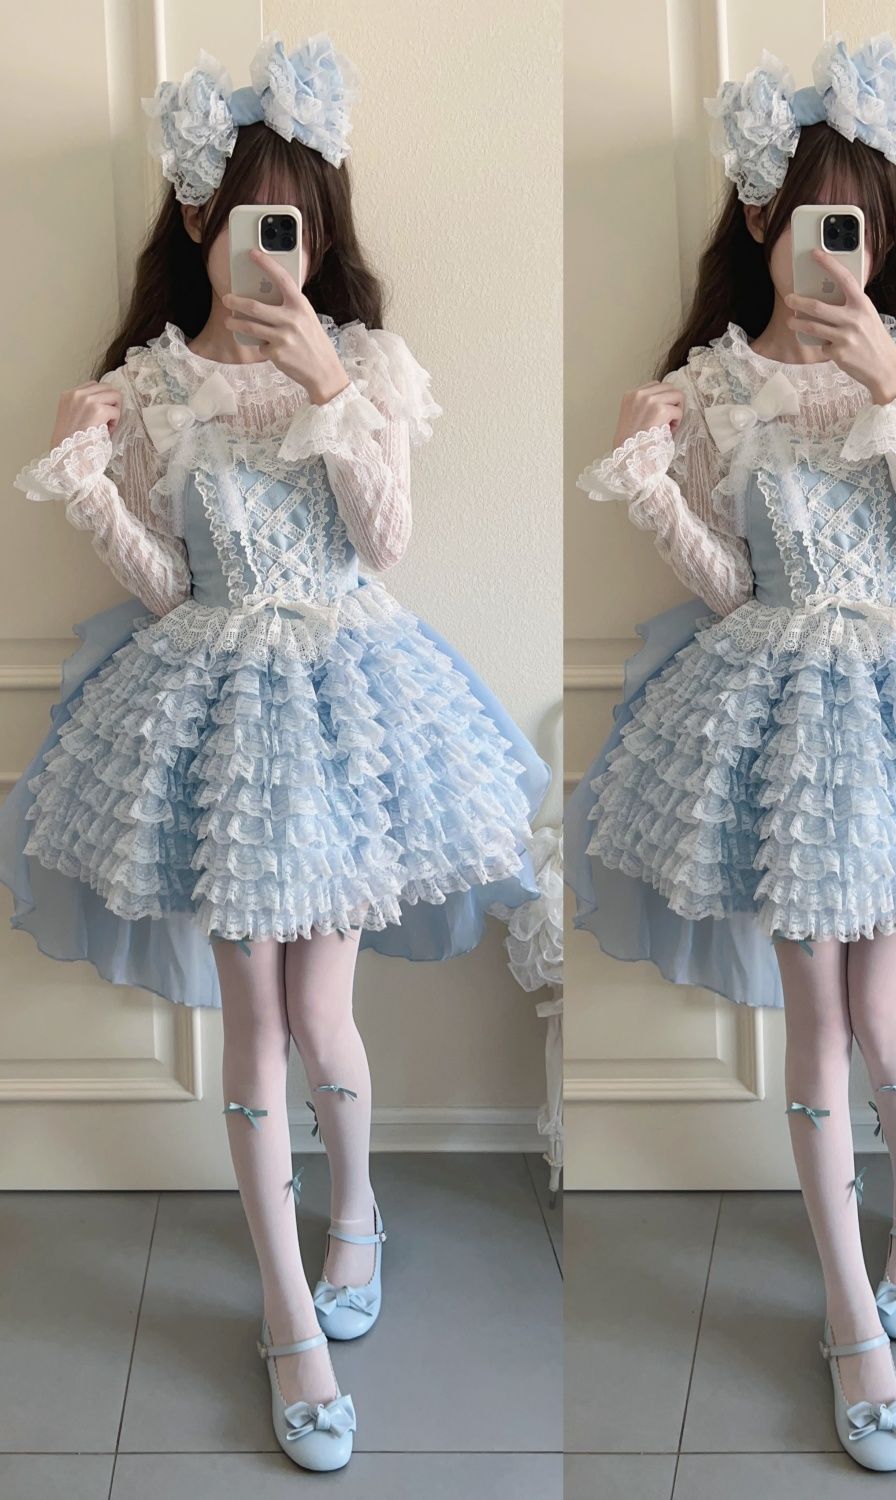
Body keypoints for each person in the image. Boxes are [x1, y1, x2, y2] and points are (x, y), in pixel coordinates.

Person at [1, 33, 548, 1472]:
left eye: (294, 220)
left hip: (352, 706)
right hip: (218, 716)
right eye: (249, 217)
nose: (269, 247)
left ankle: (355, 1208)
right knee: (255, 1020)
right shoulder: (154, 383)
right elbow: (166, 586)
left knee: (325, 1014)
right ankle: (288, 1316)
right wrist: (84, 481)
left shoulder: (363, 362)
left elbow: (387, 541)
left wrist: (328, 389)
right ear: (198, 218)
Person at [564, 34, 896, 1472]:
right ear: (758, 216)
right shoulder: (716, 384)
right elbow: (727, 585)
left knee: (886, 1012)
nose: (830, 246)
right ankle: (849, 1313)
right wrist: (648, 485)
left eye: (856, 219)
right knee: (815, 1021)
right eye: (810, 215)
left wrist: (889, 388)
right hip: (780, 717)